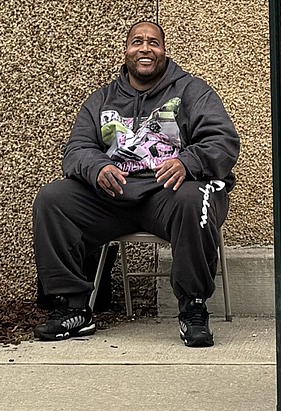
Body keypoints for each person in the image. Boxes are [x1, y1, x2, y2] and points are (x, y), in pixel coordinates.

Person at [32, 20, 239, 347]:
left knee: (195, 198)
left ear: (164, 51)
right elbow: (76, 149)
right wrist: (97, 167)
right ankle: (72, 307)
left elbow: (222, 142)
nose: (145, 48)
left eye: (153, 43)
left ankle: (193, 307)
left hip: (168, 196)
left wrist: (187, 162)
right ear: (126, 50)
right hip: (114, 199)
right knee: (53, 199)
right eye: (137, 42)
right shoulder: (102, 99)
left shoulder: (191, 91)